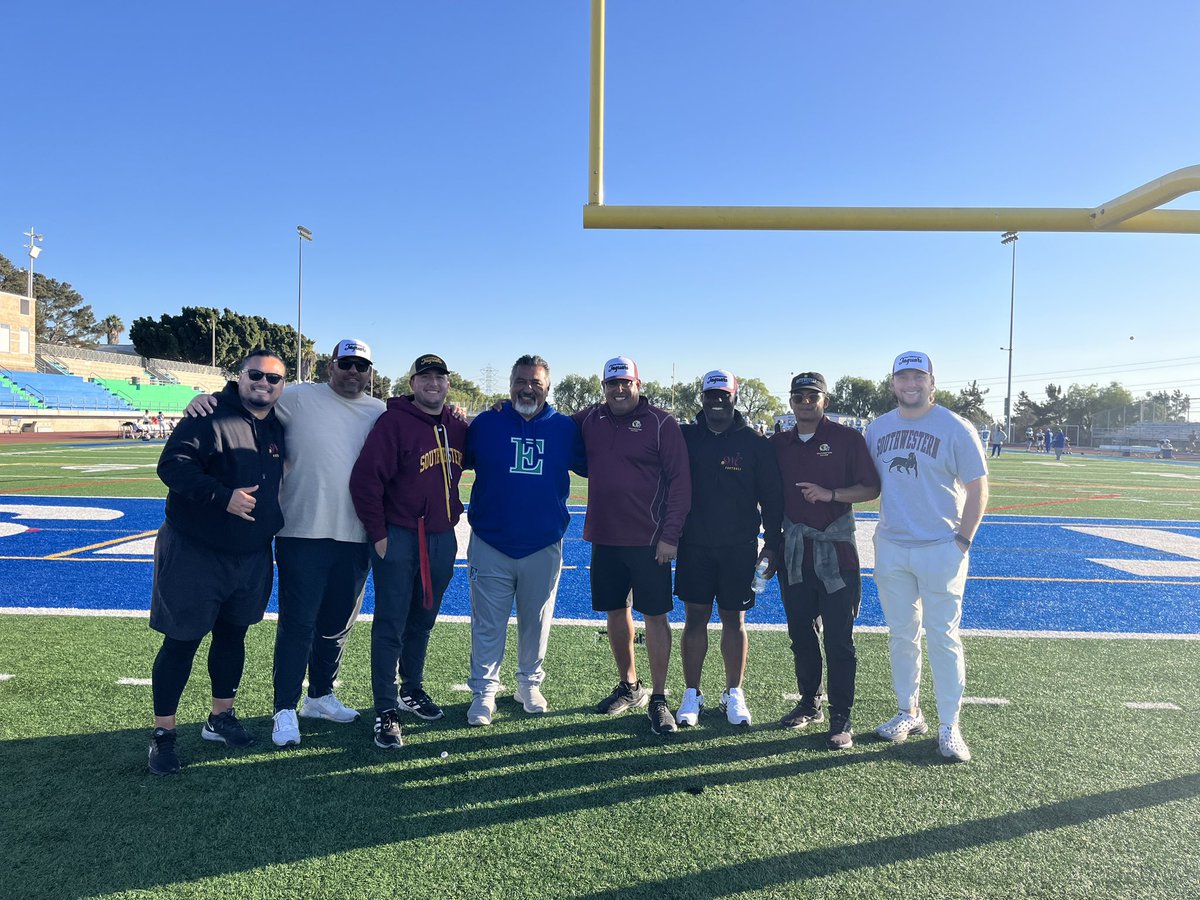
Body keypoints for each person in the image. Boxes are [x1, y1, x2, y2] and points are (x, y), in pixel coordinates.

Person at [184, 339, 388, 749]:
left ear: (370, 373)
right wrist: (207, 398)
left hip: (355, 533)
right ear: (331, 366)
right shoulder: (296, 396)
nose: (353, 372)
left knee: (336, 626)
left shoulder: (380, 411)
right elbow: (249, 401)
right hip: (301, 531)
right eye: (345, 364)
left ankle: (320, 695)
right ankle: (284, 708)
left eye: (361, 366)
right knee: (298, 623)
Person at [146, 350, 287, 776]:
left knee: (233, 635)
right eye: (255, 375)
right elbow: (171, 466)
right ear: (239, 376)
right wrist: (221, 495)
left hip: (251, 554)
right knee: (182, 640)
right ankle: (163, 735)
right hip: (197, 551)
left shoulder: (278, 424)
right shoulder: (206, 415)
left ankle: (219, 717)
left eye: (274, 379)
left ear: (283, 386)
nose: (264, 383)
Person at [865, 351, 988, 763]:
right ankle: (908, 711)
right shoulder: (877, 428)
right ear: (892, 383)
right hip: (892, 545)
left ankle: (950, 724)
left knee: (943, 638)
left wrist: (963, 540)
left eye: (919, 376)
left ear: (932, 382)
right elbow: (864, 481)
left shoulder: (956, 427)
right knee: (902, 635)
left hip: (940, 547)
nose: (910, 383)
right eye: (903, 376)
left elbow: (977, 486)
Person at [350, 354, 467, 749]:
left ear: (447, 384)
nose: (433, 383)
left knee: (424, 618)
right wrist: (378, 532)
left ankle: (411, 688)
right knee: (391, 623)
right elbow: (365, 480)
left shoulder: (456, 426)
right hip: (399, 536)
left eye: (440, 377)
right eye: (425, 377)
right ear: (413, 383)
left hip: (441, 537)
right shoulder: (393, 421)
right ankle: (385, 708)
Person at [462, 355, 586, 726]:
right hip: (491, 541)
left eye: (535, 382)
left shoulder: (565, 428)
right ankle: (484, 692)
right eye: (520, 381)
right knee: (487, 623)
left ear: (549, 388)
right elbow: (455, 459)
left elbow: (596, 462)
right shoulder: (487, 423)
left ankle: (528, 685)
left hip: (543, 543)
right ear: (510, 383)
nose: (527, 388)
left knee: (537, 620)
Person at [574, 356, 691, 735]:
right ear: (603, 387)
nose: (619, 390)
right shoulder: (590, 419)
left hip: (650, 540)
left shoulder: (661, 423)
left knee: (655, 616)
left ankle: (658, 697)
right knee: (614, 612)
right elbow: (548, 420)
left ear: (638, 385)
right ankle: (630, 685)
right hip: (605, 537)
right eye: (612, 384)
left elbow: (680, 484)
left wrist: (671, 535)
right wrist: (503, 406)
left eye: (626, 383)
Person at [770, 373, 880, 750]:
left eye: (812, 396)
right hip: (795, 553)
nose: (805, 402)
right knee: (801, 634)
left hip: (837, 553)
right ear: (791, 402)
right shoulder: (778, 444)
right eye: (798, 396)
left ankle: (841, 715)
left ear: (824, 401)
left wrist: (830, 494)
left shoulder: (847, 439)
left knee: (839, 639)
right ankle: (808, 702)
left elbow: (871, 487)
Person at [674, 370, 782, 728]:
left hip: (739, 547)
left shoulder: (755, 443)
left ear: (735, 398)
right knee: (695, 619)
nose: (717, 401)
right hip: (695, 545)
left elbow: (771, 499)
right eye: (711, 395)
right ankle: (692, 693)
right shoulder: (685, 437)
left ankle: (734, 692)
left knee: (735, 621)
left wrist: (772, 544)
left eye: (724, 395)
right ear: (702, 397)